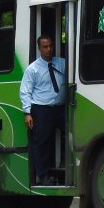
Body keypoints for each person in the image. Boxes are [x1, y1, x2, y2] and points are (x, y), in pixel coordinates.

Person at [19, 35, 66, 186]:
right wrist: (27, 113)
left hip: (60, 108)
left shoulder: (62, 63)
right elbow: (25, 91)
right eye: (45, 47)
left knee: (72, 133)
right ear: (39, 49)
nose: (49, 49)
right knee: (42, 142)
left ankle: (66, 164)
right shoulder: (32, 69)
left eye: (51, 46)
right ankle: (43, 175)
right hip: (42, 109)